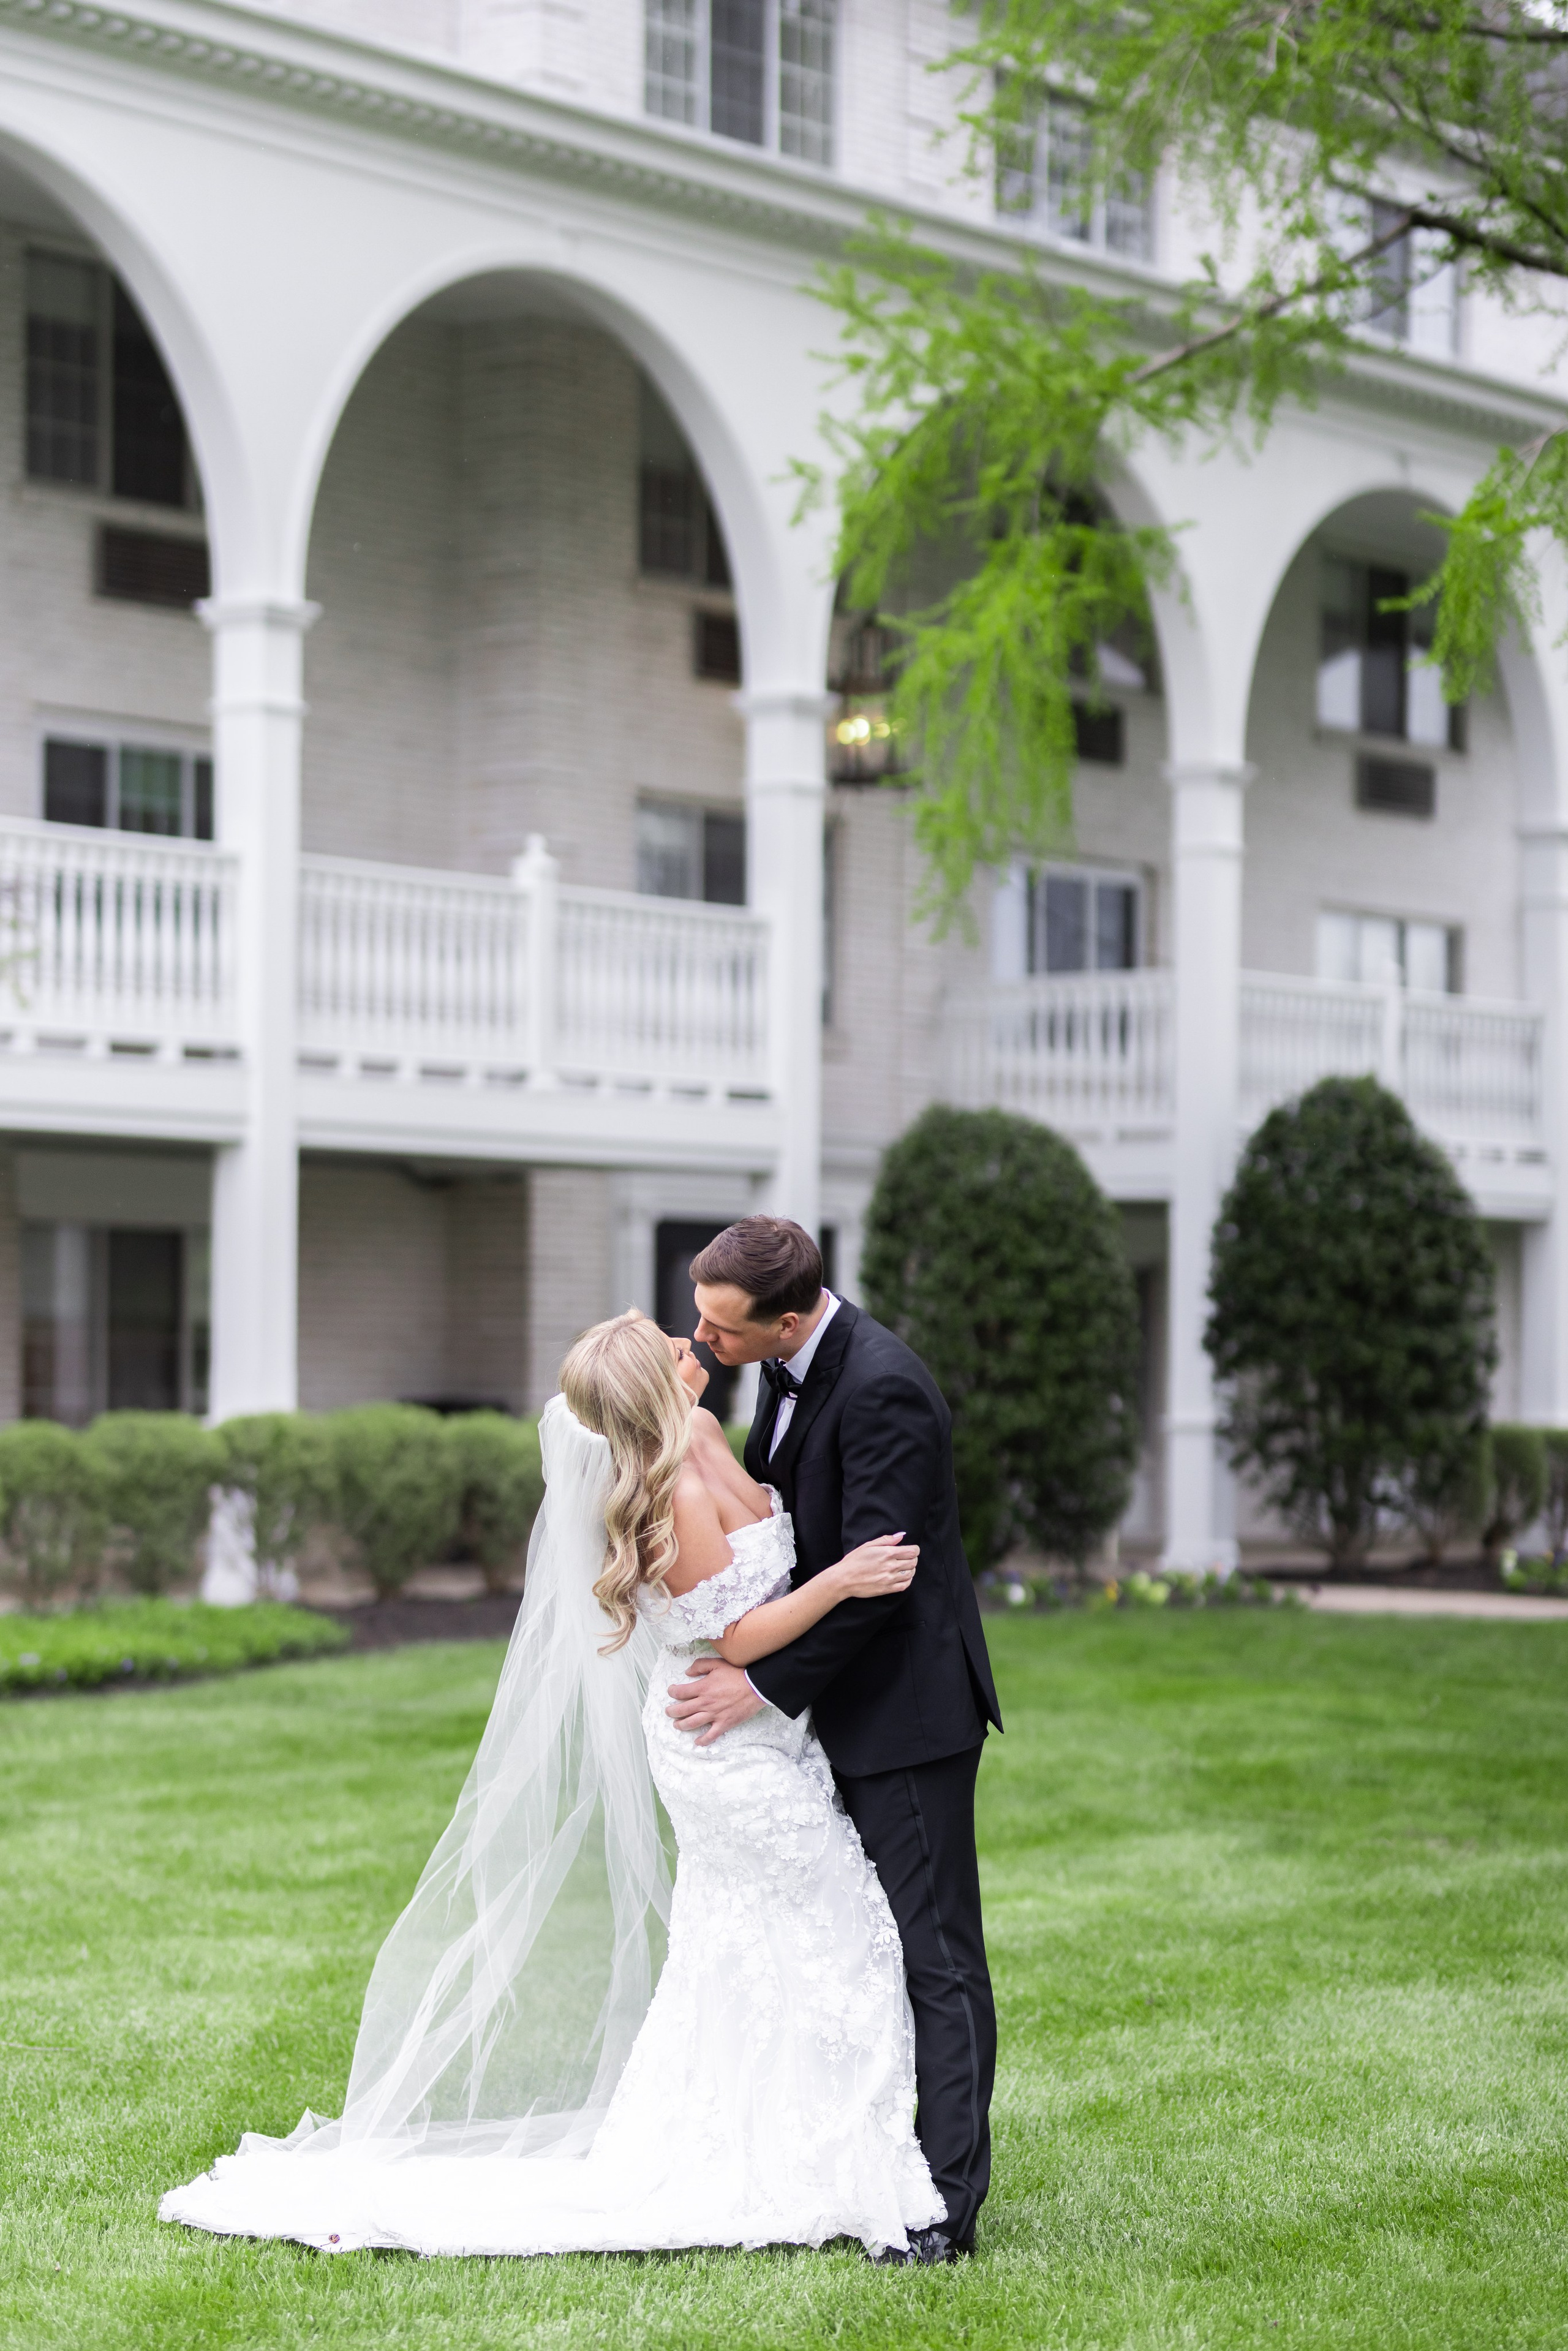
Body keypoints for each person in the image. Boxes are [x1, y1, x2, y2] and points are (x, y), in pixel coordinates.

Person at [159, 1310, 944, 2260]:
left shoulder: (699, 1433)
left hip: (768, 1731)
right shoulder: (664, 1501)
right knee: (832, 1924)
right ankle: (816, 2152)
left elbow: (768, 1543)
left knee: (756, 1945)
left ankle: (783, 2132)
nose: (686, 1346)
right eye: (668, 1346)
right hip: (719, 1741)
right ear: (650, 1389)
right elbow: (737, 1637)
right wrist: (845, 1580)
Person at [681, 1217, 1001, 2263]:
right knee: (867, 1947)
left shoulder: (884, 1387)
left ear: (788, 1317)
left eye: (721, 1327)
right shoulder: (778, 1363)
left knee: (937, 1957)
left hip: (903, 1711)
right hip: (837, 1710)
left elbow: (875, 1584)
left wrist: (759, 1685)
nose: (703, 1339)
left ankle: (944, 2206)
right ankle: (867, 2162)